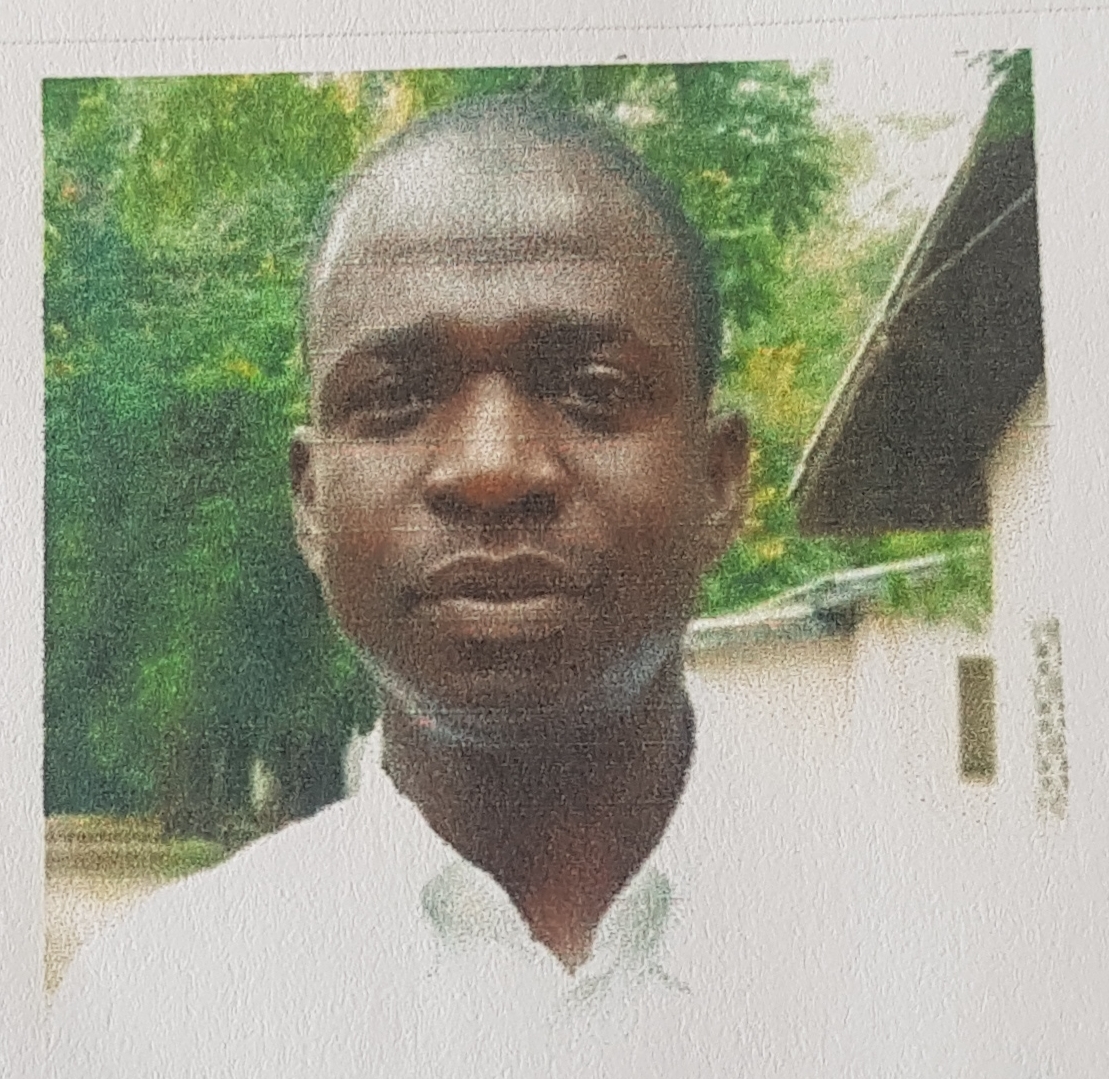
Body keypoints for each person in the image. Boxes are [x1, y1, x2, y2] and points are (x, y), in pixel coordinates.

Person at [49, 96, 872, 1078]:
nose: (490, 466)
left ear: (720, 481)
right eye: (393, 399)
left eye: (593, 389)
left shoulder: (973, 954)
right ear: (310, 503)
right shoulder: (149, 1012)